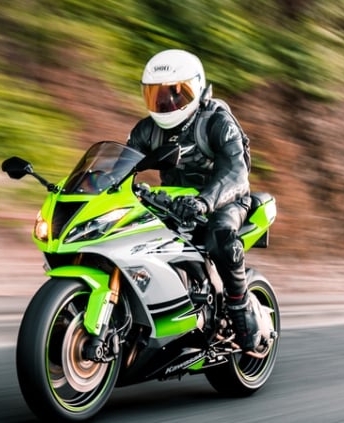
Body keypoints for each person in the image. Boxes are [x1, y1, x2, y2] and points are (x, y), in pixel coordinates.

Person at [125, 49, 260, 351]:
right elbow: (122, 167)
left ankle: (240, 310)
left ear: (196, 88)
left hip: (225, 199)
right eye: (157, 96)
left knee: (220, 235)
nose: (166, 103)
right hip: (171, 203)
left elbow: (237, 173)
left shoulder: (216, 122)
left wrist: (204, 202)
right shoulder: (146, 130)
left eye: (175, 94)